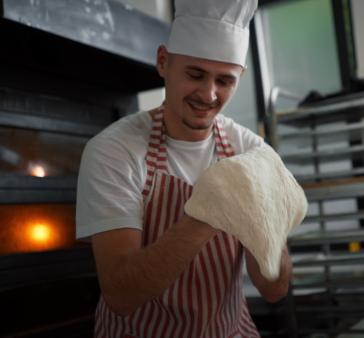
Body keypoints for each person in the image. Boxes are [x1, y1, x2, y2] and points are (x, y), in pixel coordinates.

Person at [75, 0, 292, 336]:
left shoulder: (250, 151)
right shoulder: (115, 151)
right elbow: (119, 295)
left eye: (225, 81)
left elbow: (274, 289)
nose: (208, 94)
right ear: (163, 61)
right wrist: (207, 213)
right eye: (195, 74)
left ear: (241, 77)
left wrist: (262, 219)